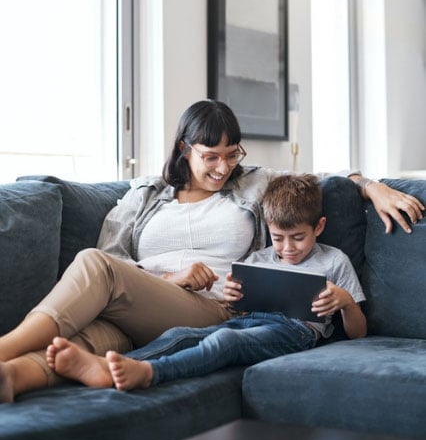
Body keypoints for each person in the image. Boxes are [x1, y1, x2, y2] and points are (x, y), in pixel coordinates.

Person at [0, 100, 423, 402]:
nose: (223, 168)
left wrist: (372, 186)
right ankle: (12, 376)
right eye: (210, 156)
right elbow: (113, 253)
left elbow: (322, 181)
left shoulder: (253, 184)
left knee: (93, 266)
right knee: (87, 338)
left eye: (231, 155)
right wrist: (167, 280)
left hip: (210, 308)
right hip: (137, 308)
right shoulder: (145, 194)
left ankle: (5, 345)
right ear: (185, 149)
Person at [45, 173, 367, 391]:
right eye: (278, 238)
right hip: (252, 320)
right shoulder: (259, 259)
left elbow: (359, 332)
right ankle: (109, 367)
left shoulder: (334, 260)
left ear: (319, 227)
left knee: (225, 343)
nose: (287, 248)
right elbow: (235, 310)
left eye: (298, 238)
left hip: (295, 332)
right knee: (183, 334)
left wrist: (346, 303)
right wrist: (232, 296)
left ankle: (148, 373)